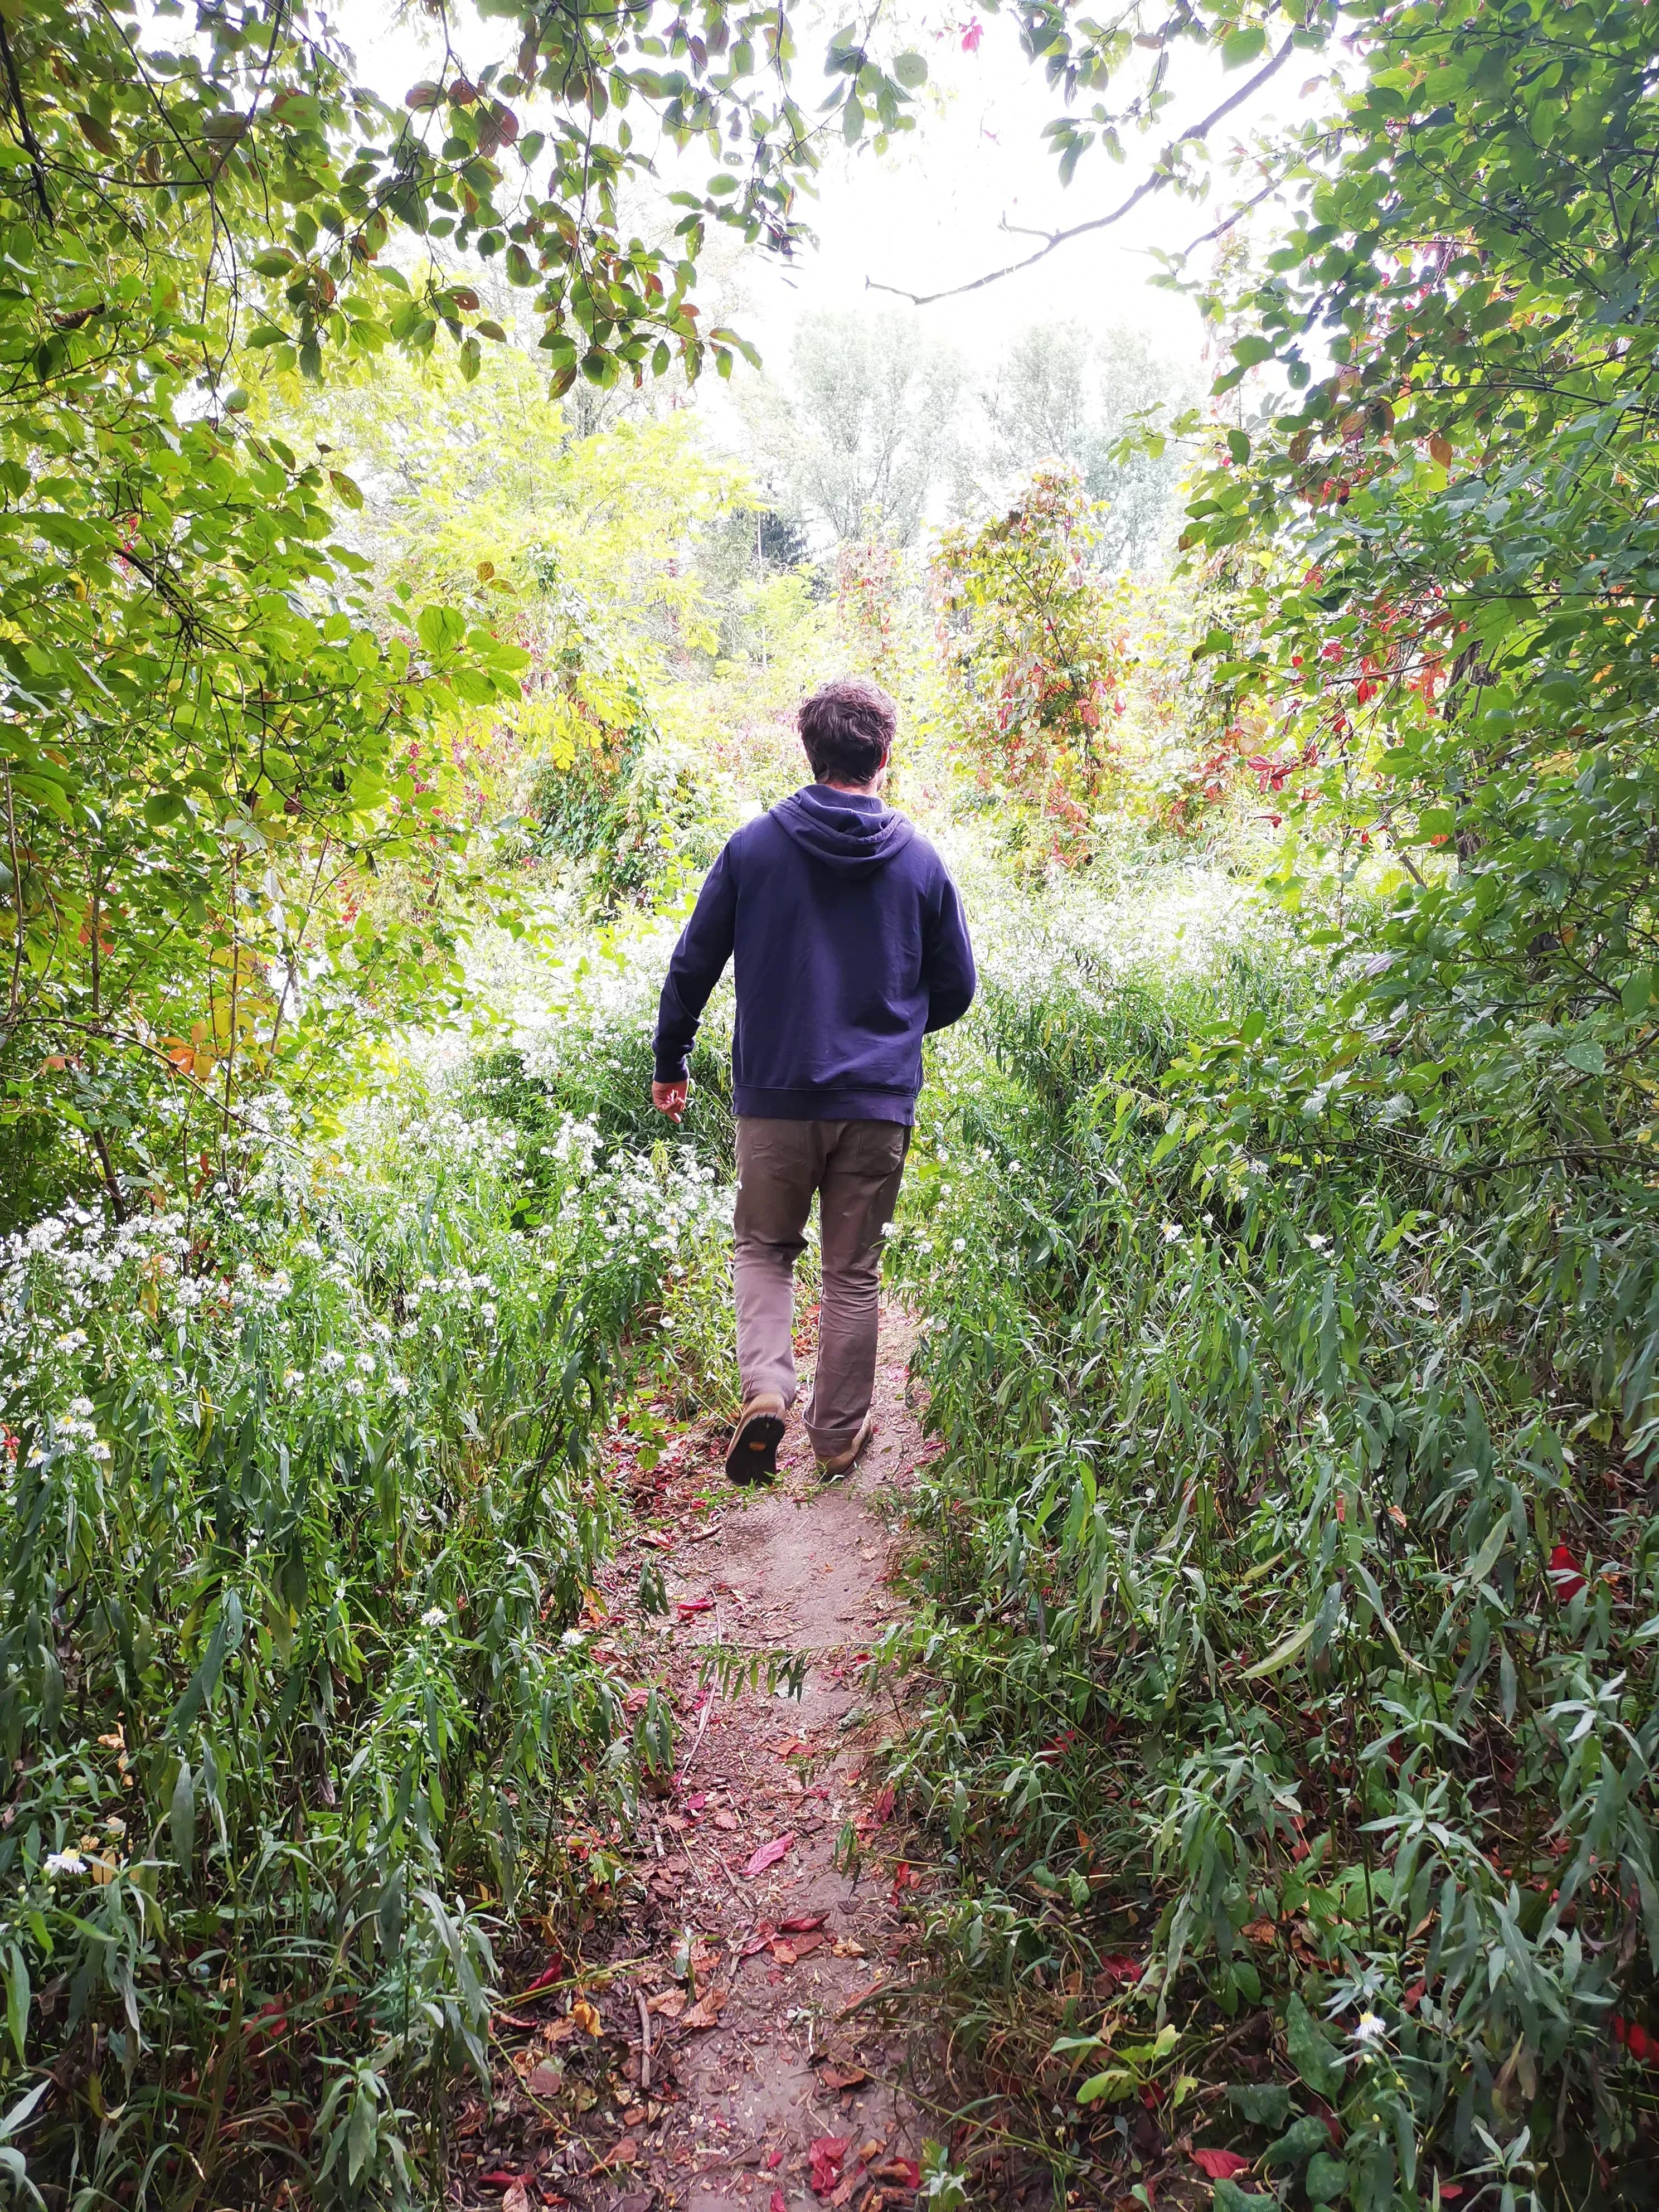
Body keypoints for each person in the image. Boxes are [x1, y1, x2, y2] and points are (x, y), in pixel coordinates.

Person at [651, 676, 976, 1483]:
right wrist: (893, 1035)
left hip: (776, 1097)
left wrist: (672, 1059)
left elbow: (693, 964)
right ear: (884, 755)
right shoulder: (920, 860)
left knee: (764, 1247)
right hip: (877, 1103)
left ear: (809, 752)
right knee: (852, 1272)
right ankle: (835, 1438)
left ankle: (766, 1388)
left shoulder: (754, 848)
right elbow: (958, 985)